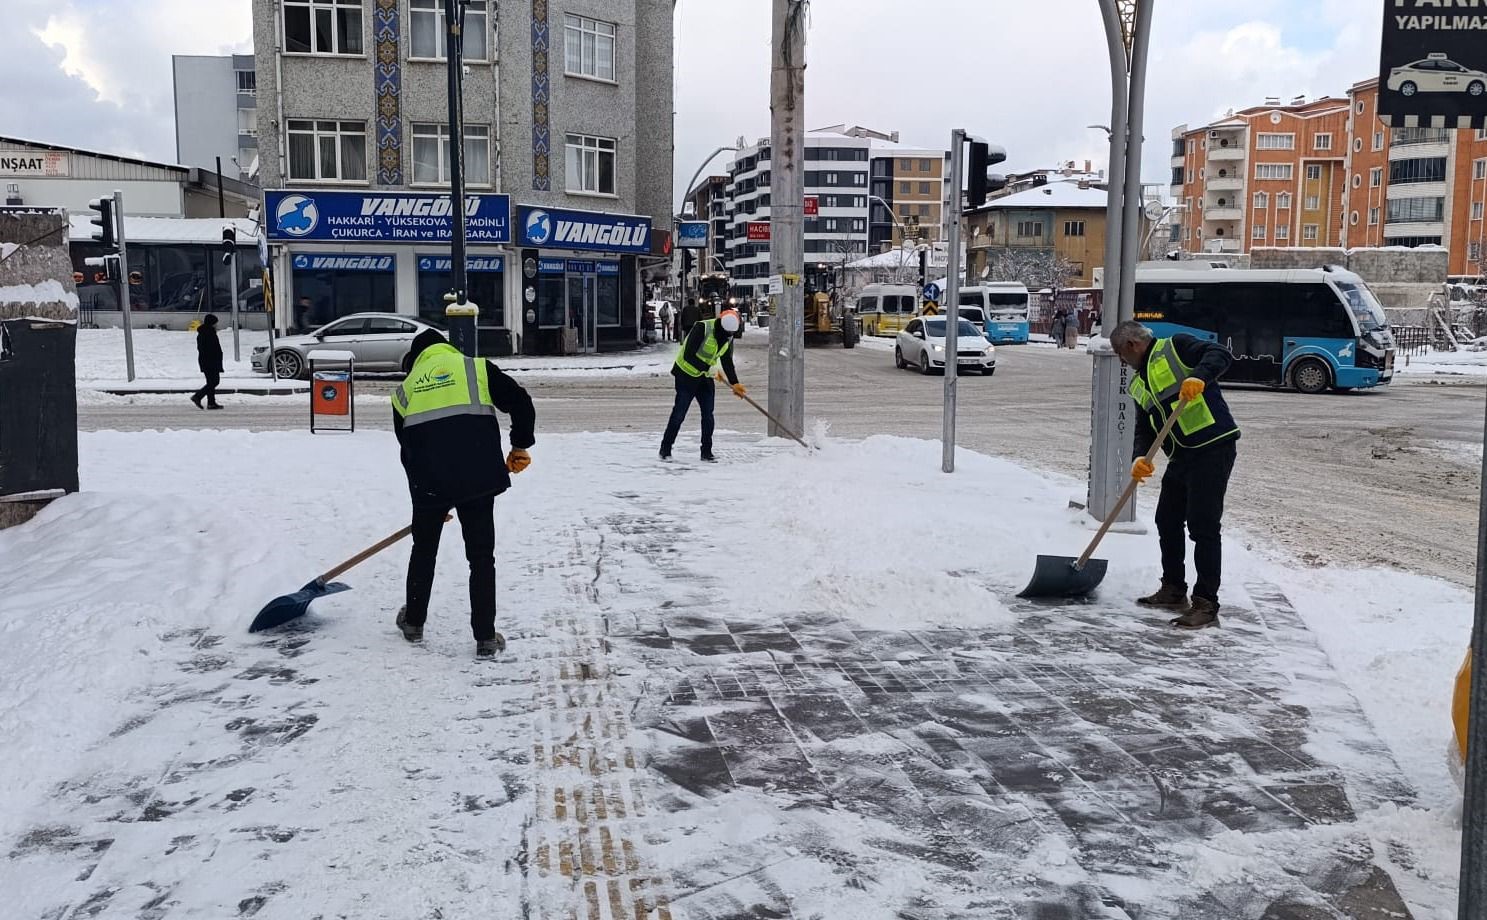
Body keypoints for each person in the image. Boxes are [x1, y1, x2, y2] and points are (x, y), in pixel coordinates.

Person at [392, 328, 536, 657]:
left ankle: (413, 622)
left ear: (416, 361)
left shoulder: (405, 390)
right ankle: (485, 637)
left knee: (423, 550)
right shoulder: (476, 368)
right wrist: (520, 445)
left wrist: (425, 497)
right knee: (481, 557)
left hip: (430, 482)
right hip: (478, 478)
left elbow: (408, 450)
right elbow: (520, 403)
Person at [1110, 320, 1241, 630]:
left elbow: (1220, 354)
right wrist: (1139, 457)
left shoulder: (1177, 346)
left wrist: (1199, 376)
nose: (1120, 361)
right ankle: (1173, 588)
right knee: (1166, 520)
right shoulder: (1138, 383)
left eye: (1119, 354)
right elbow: (1144, 427)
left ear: (1132, 345)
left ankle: (1206, 604)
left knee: (1203, 526)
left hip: (1212, 446)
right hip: (1182, 454)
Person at [660, 308, 744, 462]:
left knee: (708, 415)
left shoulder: (727, 337)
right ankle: (665, 448)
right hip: (685, 375)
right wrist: (709, 368)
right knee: (679, 414)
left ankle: (706, 452)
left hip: (704, 378)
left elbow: (727, 362)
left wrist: (735, 383)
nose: (729, 336)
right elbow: (689, 354)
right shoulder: (702, 328)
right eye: (728, 334)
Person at [190, 314, 223, 410]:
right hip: (210, 361)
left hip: (207, 361)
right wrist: (215, 359)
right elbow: (211, 349)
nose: (216, 325)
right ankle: (198, 396)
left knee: (211, 382)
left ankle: (211, 403)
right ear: (211, 323)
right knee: (214, 381)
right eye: (215, 323)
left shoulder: (204, 332)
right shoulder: (209, 333)